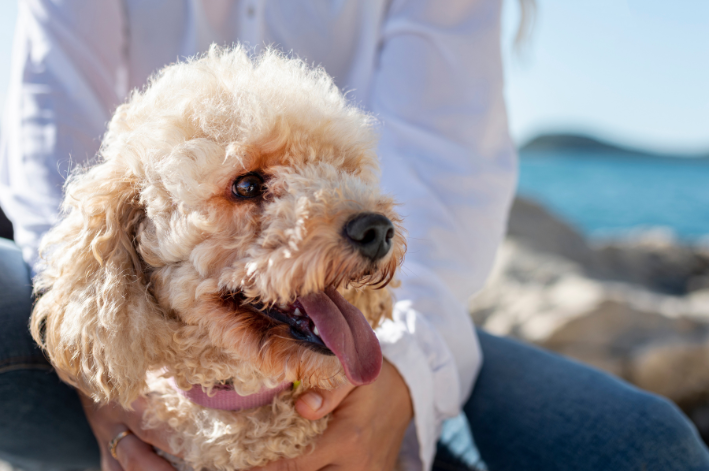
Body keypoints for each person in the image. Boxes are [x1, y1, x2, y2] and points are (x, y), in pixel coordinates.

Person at [1, 1, 708, 471]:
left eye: (338, 172)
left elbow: (444, 185)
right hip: (120, 290)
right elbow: (46, 149)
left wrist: (404, 376)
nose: (342, 209)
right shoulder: (118, 227)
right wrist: (100, 386)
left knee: (646, 447)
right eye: (250, 187)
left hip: (394, 309)